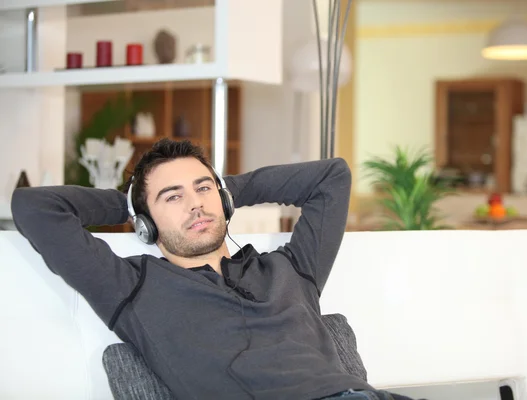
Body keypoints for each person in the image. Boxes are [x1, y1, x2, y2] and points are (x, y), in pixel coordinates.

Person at [11, 139, 420, 400]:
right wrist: (129, 204)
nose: (195, 204)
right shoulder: (132, 288)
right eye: (172, 197)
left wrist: (227, 191)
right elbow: (35, 206)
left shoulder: (292, 268)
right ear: (145, 223)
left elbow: (332, 177)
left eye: (202, 189)